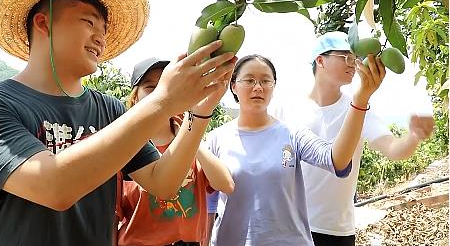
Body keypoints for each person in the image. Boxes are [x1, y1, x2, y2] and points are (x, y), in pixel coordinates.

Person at [0, 0, 236, 245]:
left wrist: (200, 111)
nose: (101, 37)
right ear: (43, 22)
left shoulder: (110, 110)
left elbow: (162, 182)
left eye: (104, 28)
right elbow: (54, 187)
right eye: (89, 22)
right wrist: (163, 100)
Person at [271, 31, 435, 246]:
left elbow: (393, 148)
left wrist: (413, 136)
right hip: (288, 225)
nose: (353, 64)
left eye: (355, 58)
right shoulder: (285, 108)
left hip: (335, 229)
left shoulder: (359, 108)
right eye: (346, 57)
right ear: (320, 60)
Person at [207, 53, 385, 245]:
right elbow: (208, 201)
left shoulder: (293, 134)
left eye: (266, 81)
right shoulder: (217, 139)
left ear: (273, 87)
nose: (258, 87)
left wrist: (360, 100)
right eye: (249, 80)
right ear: (233, 86)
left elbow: (336, 160)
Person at [116, 58, 235, 246]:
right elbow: (113, 217)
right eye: (150, 87)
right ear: (135, 97)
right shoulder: (124, 148)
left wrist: (191, 138)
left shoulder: (189, 145)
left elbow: (226, 184)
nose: (161, 93)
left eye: (167, 85)